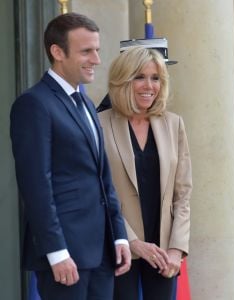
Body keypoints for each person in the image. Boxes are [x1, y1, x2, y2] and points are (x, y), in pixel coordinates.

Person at [10, 12, 131, 300]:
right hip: (65, 256)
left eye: (97, 50)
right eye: (86, 51)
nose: (97, 60)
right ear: (57, 52)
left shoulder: (87, 104)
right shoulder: (33, 104)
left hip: (103, 252)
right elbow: (36, 184)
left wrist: (119, 234)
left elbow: (103, 178)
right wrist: (56, 251)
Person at [98, 46, 192, 300]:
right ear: (122, 81)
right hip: (118, 247)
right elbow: (98, 192)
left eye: (156, 78)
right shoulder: (99, 124)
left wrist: (176, 248)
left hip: (164, 254)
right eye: (140, 77)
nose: (149, 86)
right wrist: (130, 240)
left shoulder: (174, 124)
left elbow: (182, 194)